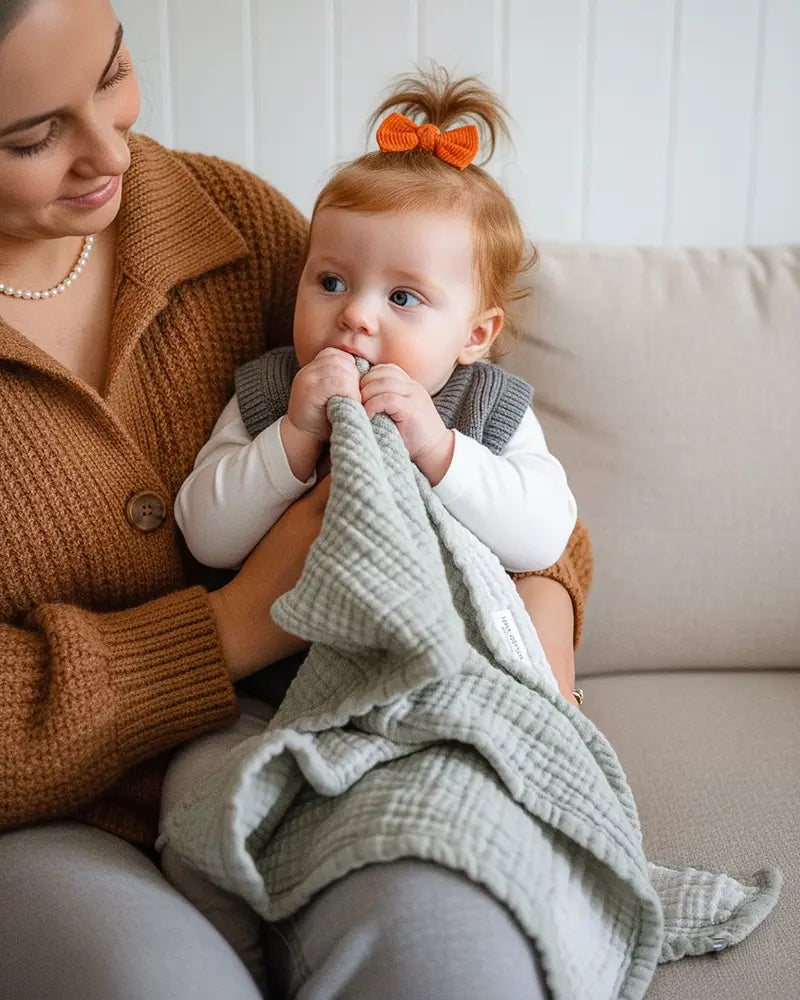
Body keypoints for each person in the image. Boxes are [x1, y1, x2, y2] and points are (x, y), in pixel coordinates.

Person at [0, 1, 591, 998]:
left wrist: (538, 666)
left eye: (110, 72)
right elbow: (212, 515)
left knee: (457, 956)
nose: (113, 150)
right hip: (67, 811)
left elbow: (541, 527)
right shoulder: (284, 387)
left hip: (371, 733)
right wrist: (232, 620)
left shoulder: (225, 223)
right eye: (30, 135)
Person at [174, 70, 577, 594]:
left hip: (447, 649)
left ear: (475, 336)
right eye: (332, 281)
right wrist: (294, 437)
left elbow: (545, 536)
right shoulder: (272, 392)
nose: (355, 315)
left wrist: (437, 449)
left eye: (403, 297)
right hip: (292, 661)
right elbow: (205, 536)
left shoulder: (488, 406)